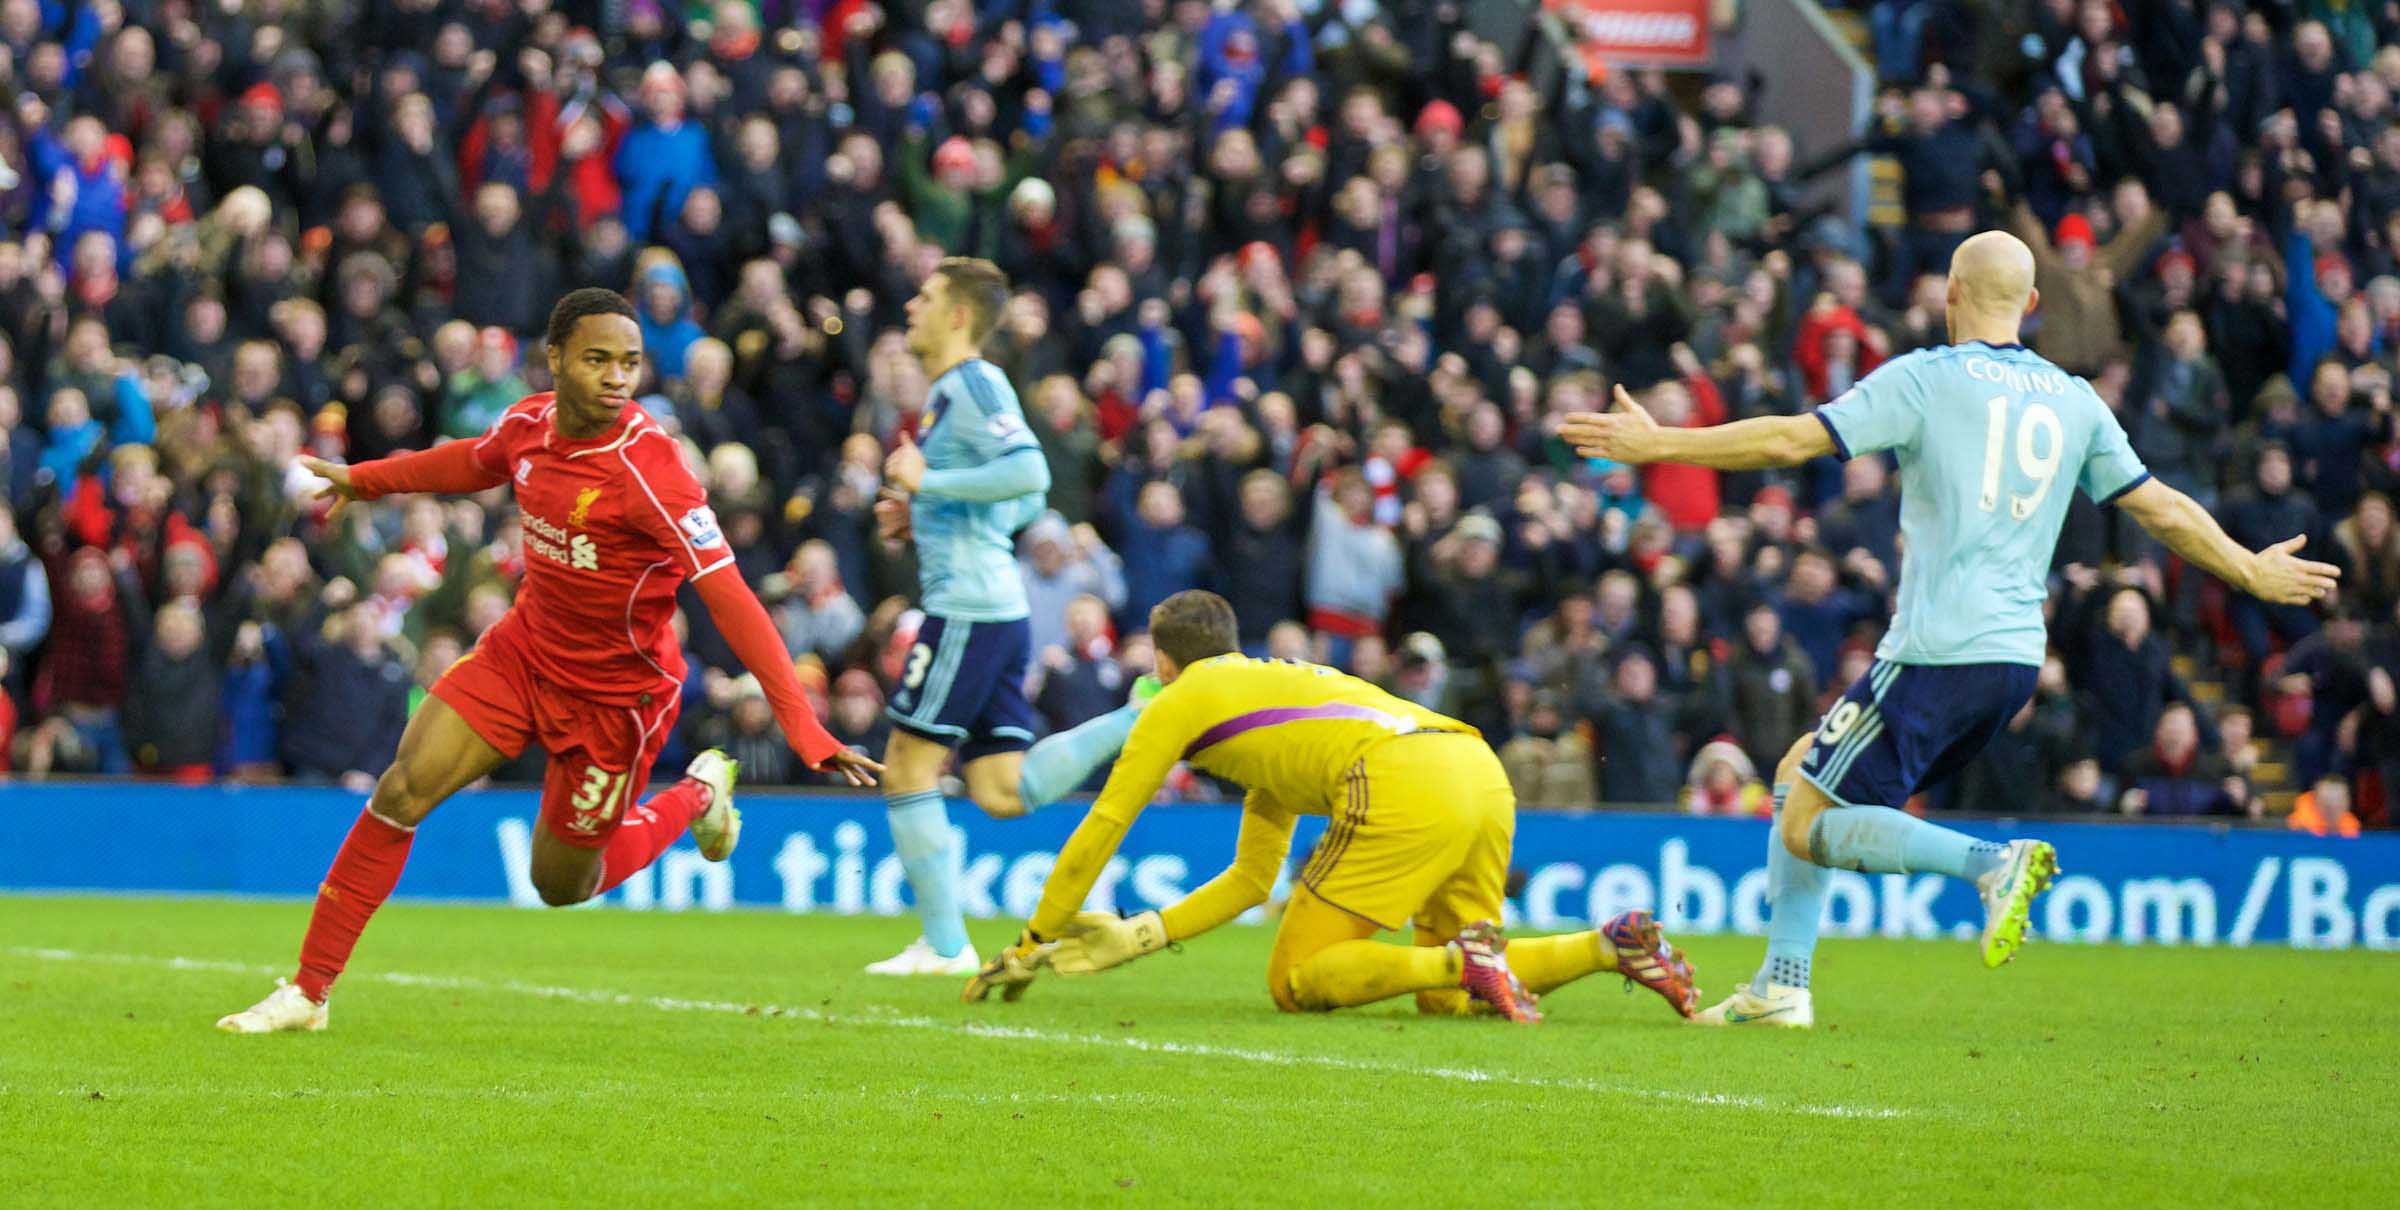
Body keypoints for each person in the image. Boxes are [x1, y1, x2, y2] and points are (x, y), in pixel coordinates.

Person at [1563, 228, 2340, 1028]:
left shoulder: (1926, 380)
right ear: (2033, 305)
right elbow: (2161, 507)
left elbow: (1794, 439)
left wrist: (1661, 443)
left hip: (1936, 648)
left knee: (1801, 819)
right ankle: (1781, 984)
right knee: (1802, 770)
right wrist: (2249, 567)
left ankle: (1986, 867)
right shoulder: (2076, 398)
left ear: (1950, 296)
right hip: (2013, 662)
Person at [217, 290, 882, 1034]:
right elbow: (472, 462)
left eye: (629, 363)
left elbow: (730, 598)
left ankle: (696, 797)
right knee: (400, 791)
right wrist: (366, 479)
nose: (617, 378)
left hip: (615, 700)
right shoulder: (530, 422)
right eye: (597, 359)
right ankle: (309, 993)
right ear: (556, 358)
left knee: (563, 884)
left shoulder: (652, 470)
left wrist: (802, 723)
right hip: (524, 655)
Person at [957, 590, 1699, 1024]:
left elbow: (1104, 826)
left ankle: (1462, 956)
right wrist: (1142, 935)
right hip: (1477, 769)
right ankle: (1610, 946)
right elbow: (1252, 879)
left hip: (1404, 779)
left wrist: (1029, 945)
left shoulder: (1179, 701)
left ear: (1160, 662)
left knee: (1296, 980)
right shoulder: (1271, 700)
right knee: (1448, 999)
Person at [866, 258, 1152, 976]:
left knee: (906, 767)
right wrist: (926, 507)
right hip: (992, 606)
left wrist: (931, 482)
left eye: (925, 298)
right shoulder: (950, 393)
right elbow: (1019, 507)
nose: (911, 308)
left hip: (967, 607)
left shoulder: (971, 382)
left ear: (958, 315)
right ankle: (1139, 718)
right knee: (999, 789)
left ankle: (943, 945)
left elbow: (1031, 476)